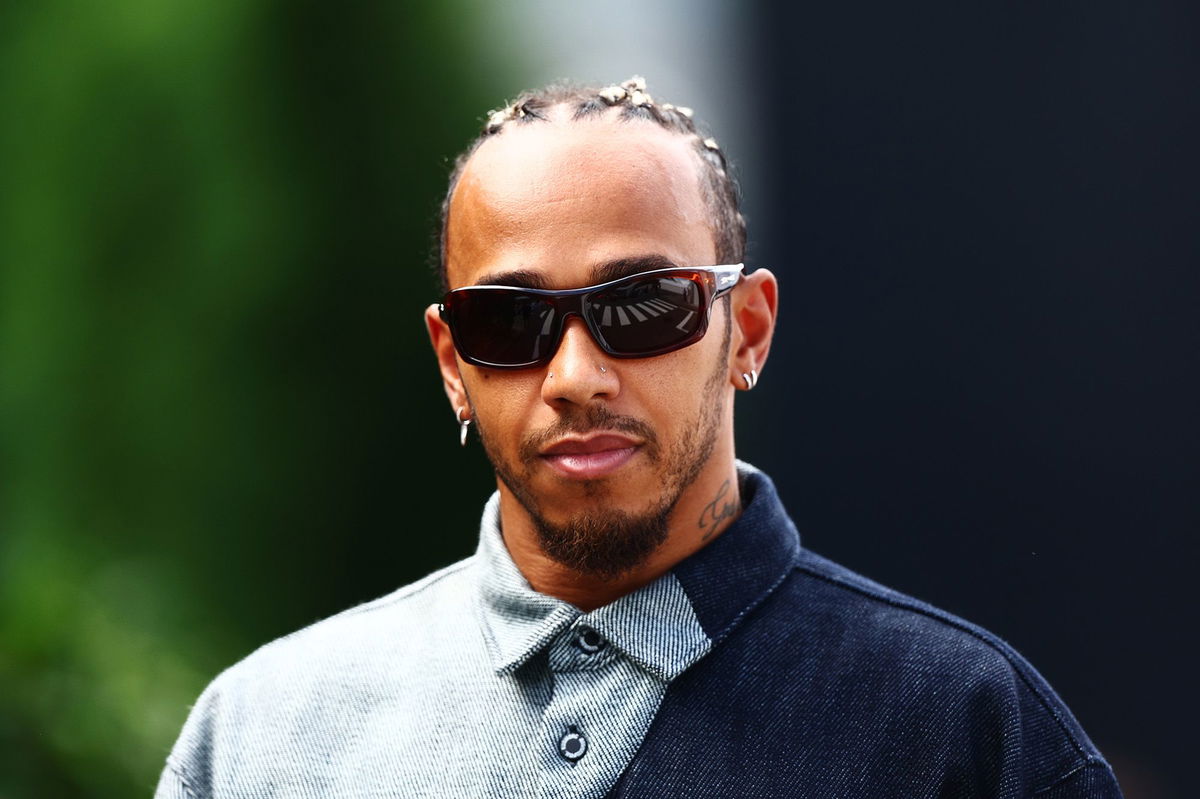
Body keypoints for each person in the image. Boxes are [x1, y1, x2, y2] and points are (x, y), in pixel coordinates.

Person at [154, 77, 1123, 798]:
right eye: (508, 322)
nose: (576, 376)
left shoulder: (961, 732)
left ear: (745, 328)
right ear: (452, 360)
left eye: (643, 304)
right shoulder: (261, 737)